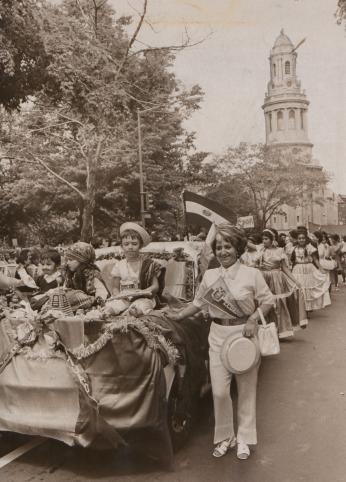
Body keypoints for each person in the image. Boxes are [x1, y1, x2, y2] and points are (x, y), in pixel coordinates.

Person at [166, 223, 274, 460]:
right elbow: (198, 304)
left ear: (238, 248)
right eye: (219, 247)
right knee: (220, 392)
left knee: (246, 391)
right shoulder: (210, 275)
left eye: (228, 246)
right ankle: (226, 437)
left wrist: (253, 318)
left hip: (244, 337)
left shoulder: (252, 274)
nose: (223, 251)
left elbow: (268, 301)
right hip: (217, 337)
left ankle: (245, 438)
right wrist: (177, 315)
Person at [257, 229, 307, 338]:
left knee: (279, 304)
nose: (263, 241)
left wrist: (296, 281)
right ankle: (266, 330)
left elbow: (285, 268)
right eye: (263, 239)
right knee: (264, 303)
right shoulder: (261, 250)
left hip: (276, 279)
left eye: (266, 239)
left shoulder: (280, 251)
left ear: (272, 239)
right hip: (263, 278)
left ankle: (280, 330)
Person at [105, 223, 162, 317]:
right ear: (122, 246)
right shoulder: (119, 265)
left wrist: (144, 292)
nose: (130, 247)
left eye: (134, 244)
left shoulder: (148, 264)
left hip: (143, 298)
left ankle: (132, 312)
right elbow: (115, 287)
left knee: (140, 307)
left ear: (140, 245)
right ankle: (108, 313)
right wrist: (118, 296)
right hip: (124, 298)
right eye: (126, 244)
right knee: (112, 307)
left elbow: (155, 286)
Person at [291, 227, 331, 312]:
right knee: (300, 288)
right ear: (297, 239)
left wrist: (321, 268)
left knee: (308, 288)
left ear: (306, 239)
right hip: (298, 270)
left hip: (308, 269)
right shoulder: (293, 248)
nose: (301, 240)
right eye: (299, 238)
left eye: (303, 238)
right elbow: (292, 260)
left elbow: (315, 260)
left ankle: (307, 308)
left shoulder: (309, 247)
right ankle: (301, 308)